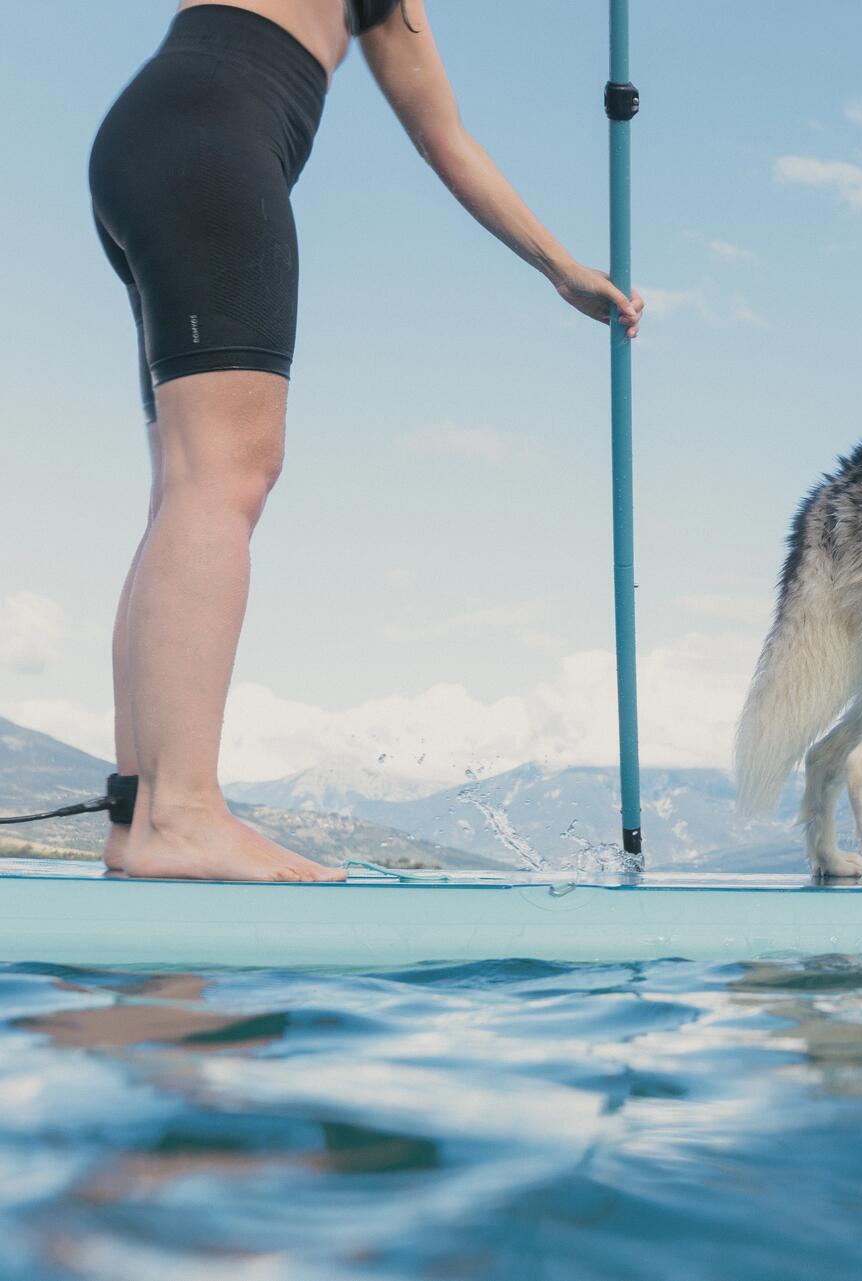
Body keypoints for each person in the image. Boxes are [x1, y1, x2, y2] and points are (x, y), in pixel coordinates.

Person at [90, 0, 641, 882]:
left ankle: (139, 814)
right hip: (216, 138)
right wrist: (561, 268)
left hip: (145, 135)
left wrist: (560, 268)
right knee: (226, 478)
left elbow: (444, 138)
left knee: (186, 485)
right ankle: (182, 813)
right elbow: (445, 140)